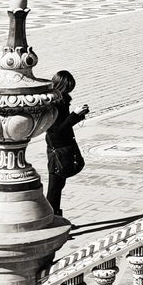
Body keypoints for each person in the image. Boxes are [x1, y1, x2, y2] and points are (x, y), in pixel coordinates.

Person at [45, 70, 89, 216]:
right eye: (68, 88)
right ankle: (52, 218)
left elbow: (64, 125)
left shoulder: (61, 100)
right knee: (55, 187)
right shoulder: (54, 104)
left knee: (58, 184)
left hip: (62, 145)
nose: (69, 91)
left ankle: (55, 216)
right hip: (57, 148)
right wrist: (75, 115)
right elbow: (57, 129)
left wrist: (78, 116)